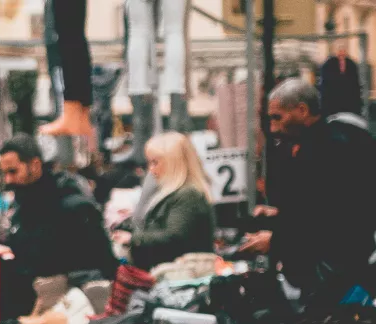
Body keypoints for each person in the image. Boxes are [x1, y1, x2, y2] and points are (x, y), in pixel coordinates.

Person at [242, 78, 376, 301]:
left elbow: (330, 218)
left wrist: (276, 240)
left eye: (278, 117)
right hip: (340, 262)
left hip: (334, 268)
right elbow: (318, 205)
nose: (273, 127)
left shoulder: (328, 148)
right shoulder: (325, 141)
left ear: (302, 110)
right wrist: (279, 216)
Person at [0, 134, 118, 282]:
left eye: (13, 171)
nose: (8, 180)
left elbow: (101, 264)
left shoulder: (71, 205)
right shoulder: (24, 203)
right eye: (5, 173)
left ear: (35, 165)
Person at [115, 132, 214, 270]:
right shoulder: (177, 192)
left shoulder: (187, 195)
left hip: (179, 276)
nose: (151, 169)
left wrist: (132, 239)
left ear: (173, 162)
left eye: (155, 162)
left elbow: (174, 237)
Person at [319, 41, 363, 118]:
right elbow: (325, 86)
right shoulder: (328, 65)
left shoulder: (351, 64)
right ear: (335, 51)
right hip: (332, 103)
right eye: (339, 49)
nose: (341, 52)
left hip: (349, 104)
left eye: (343, 49)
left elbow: (356, 85)